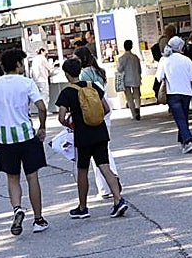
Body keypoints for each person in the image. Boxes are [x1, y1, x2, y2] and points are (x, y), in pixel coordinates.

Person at [0, 48, 49, 235]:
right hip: (26, 136)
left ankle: (17, 208)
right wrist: (42, 126)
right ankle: (38, 219)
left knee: (12, 178)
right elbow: (41, 107)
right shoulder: (26, 83)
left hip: (5, 139)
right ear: (18, 64)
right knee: (32, 177)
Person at [59, 57, 128, 220]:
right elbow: (106, 108)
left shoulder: (67, 92)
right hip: (100, 132)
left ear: (67, 74)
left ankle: (83, 207)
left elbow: (61, 117)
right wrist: (96, 119)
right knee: (104, 166)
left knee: (82, 170)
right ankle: (118, 199)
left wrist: (71, 123)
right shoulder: (93, 86)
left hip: (83, 136)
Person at [74, 46, 121, 199]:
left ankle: (105, 186)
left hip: (93, 109)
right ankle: (110, 181)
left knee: (98, 152)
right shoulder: (98, 71)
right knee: (104, 146)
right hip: (104, 106)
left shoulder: (84, 74)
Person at [155, 36, 192, 154]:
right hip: (186, 93)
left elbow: (159, 77)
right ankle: (184, 142)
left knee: (180, 118)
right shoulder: (187, 60)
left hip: (172, 93)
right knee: (183, 117)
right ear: (180, 47)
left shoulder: (164, 60)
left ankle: (187, 141)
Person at [117, 40, 143, 121]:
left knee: (129, 97)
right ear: (131, 47)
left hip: (126, 79)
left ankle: (133, 114)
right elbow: (139, 69)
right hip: (135, 78)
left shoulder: (122, 58)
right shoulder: (135, 57)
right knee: (137, 95)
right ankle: (138, 108)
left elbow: (119, 69)